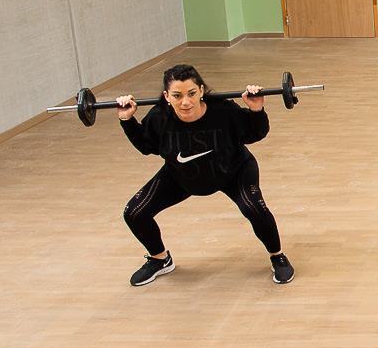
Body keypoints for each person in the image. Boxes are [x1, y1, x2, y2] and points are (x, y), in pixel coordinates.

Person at [118, 63, 293, 286]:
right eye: (177, 95)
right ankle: (160, 259)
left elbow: (256, 133)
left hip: (233, 170)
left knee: (254, 208)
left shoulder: (223, 110)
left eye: (191, 93)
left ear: (201, 90)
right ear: (166, 96)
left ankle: (277, 256)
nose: (186, 102)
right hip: (181, 176)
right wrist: (127, 120)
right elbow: (146, 146)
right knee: (134, 212)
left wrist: (256, 110)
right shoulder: (159, 117)